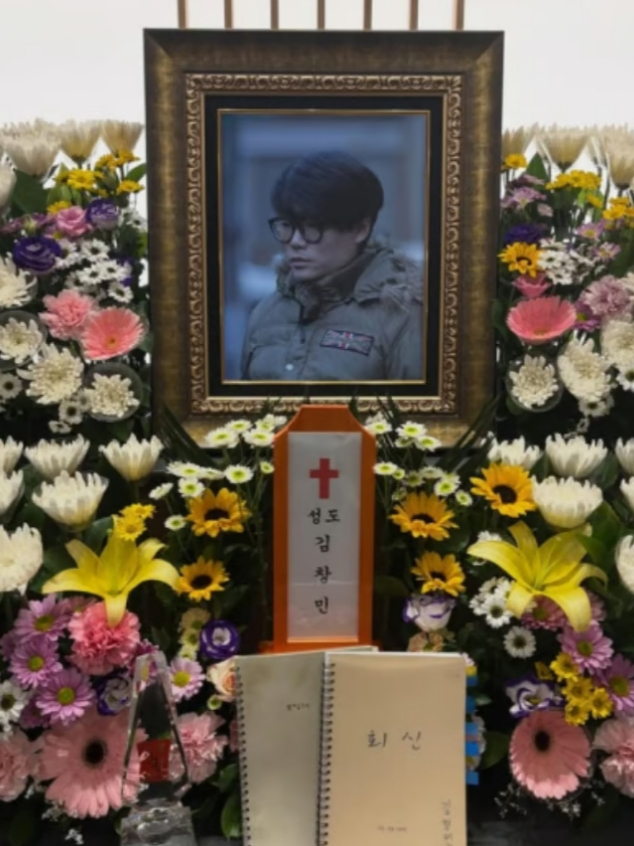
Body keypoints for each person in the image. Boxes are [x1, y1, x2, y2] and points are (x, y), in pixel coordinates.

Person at [240, 151, 423, 381]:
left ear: (360, 229)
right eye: (287, 225)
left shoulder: (402, 314)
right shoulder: (267, 311)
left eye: (312, 227)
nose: (295, 241)